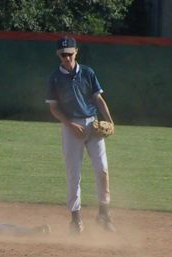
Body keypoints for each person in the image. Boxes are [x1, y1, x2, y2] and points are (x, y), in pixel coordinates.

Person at [45, 36, 116, 234]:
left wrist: (109, 119)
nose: (66, 58)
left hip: (93, 125)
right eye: (63, 55)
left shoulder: (87, 72)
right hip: (71, 127)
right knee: (73, 174)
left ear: (76, 52)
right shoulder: (55, 78)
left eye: (69, 54)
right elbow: (54, 108)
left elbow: (98, 98)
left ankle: (104, 214)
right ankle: (76, 219)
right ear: (58, 55)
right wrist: (69, 124)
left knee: (102, 170)